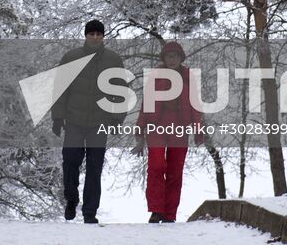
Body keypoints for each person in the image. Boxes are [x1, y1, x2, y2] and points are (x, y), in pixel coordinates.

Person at [51, 19, 125, 224]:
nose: (95, 37)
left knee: (95, 168)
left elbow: (121, 92)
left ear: (103, 36)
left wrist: (117, 118)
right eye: (91, 34)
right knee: (70, 163)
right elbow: (60, 88)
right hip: (74, 120)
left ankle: (90, 211)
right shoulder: (71, 57)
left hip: (99, 123)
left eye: (98, 34)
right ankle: (71, 199)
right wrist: (57, 116)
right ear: (85, 35)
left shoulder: (113, 59)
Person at [133, 40, 201, 223]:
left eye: (175, 56)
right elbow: (146, 102)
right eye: (169, 56)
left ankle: (170, 214)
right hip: (156, 127)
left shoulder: (188, 77)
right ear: (164, 58)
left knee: (175, 171)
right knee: (156, 167)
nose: (172, 59)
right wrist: (140, 128)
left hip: (179, 128)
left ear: (180, 58)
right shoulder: (156, 76)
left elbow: (195, 104)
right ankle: (156, 210)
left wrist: (198, 129)